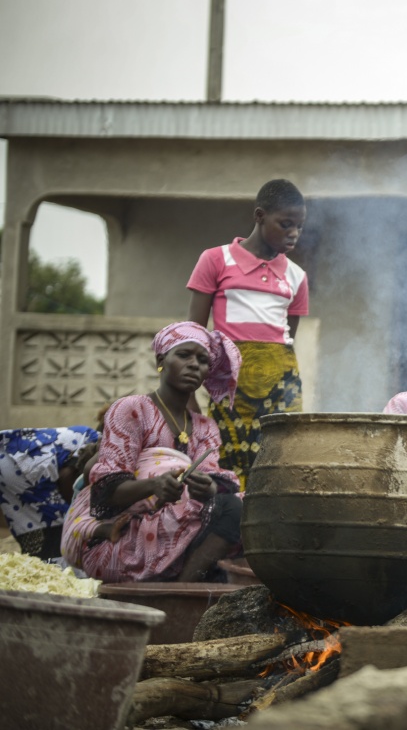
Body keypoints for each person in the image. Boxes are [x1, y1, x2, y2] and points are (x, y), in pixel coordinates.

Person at [62, 322, 244, 583]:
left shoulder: (206, 427)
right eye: (184, 355)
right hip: (123, 539)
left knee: (250, 511)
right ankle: (178, 598)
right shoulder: (132, 410)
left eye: (203, 360)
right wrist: (154, 486)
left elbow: (215, 483)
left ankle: (185, 586)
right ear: (161, 360)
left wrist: (208, 489)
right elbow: (106, 496)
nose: (194, 364)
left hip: (177, 531)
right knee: (231, 511)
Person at [187, 178, 309, 486]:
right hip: (230, 383)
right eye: (285, 224)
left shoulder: (297, 276)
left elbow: (285, 339)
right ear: (259, 216)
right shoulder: (215, 260)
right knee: (228, 464)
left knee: (280, 458)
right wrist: (190, 395)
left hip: (281, 383)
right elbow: (193, 334)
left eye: (299, 226)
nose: (294, 234)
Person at [0, 426, 100, 561]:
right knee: (63, 532)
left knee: (44, 532)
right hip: (24, 466)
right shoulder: (105, 447)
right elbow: (68, 477)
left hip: (12, 456)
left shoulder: (96, 437)